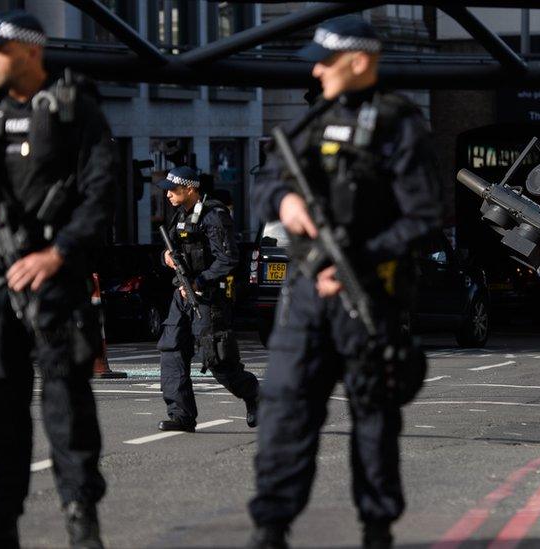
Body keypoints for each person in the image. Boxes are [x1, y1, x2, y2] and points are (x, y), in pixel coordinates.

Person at [247, 16, 442, 549]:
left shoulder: (400, 125)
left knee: (374, 419)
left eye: (325, 60)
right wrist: (284, 200)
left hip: (368, 297)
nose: (315, 68)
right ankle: (271, 527)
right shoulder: (315, 121)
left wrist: (356, 258)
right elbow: (267, 183)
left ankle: (377, 529)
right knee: (285, 409)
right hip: (309, 296)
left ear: (359, 62)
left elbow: (423, 217)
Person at [0, 10, 114, 549]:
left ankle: (82, 523)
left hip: (54, 285)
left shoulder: (76, 112)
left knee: (67, 409)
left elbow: (100, 197)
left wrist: (57, 254)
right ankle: (0, 522)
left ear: (32, 52)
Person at [156, 167, 259, 431]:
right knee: (172, 351)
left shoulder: (214, 215)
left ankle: (254, 395)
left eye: (172, 189)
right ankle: (181, 415)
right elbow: (174, 249)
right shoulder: (181, 213)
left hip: (208, 298)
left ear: (190, 188)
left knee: (218, 360)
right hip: (182, 293)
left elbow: (228, 259)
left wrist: (198, 282)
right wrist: (166, 258)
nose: (167, 194)